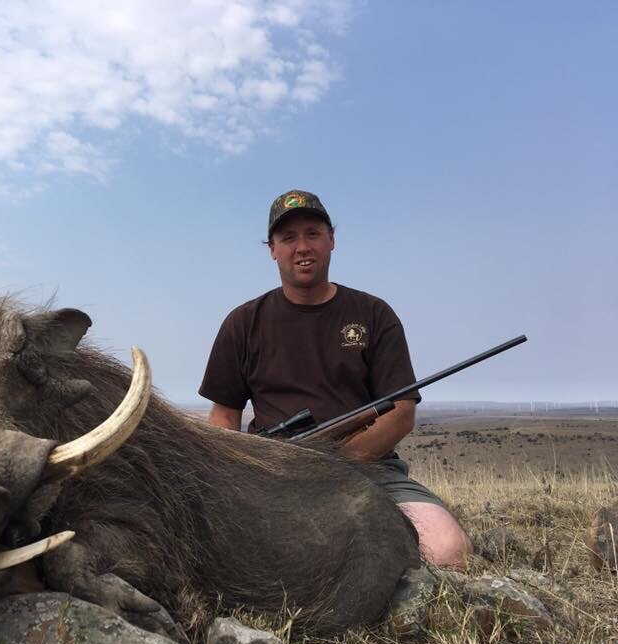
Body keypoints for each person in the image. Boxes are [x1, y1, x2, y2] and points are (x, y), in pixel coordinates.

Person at [198, 189, 473, 569]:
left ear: (332, 240)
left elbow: (401, 412)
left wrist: (339, 461)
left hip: (372, 469)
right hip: (271, 472)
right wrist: (242, 470)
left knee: (447, 550)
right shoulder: (243, 323)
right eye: (288, 238)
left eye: (312, 233)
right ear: (272, 249)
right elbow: (224, 418)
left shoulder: (374, 314)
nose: (302, 247)